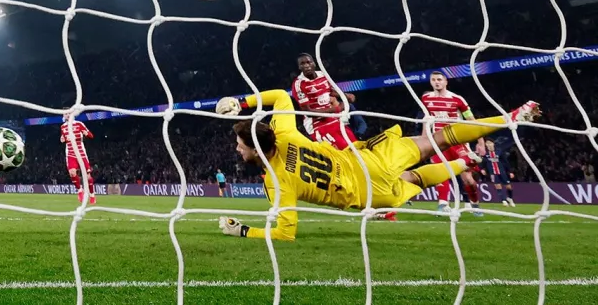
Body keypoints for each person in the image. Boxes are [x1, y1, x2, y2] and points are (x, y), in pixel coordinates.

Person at [214, 89, 539, 241]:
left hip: (369, 192)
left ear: (257, 150)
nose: (237, 149)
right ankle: (509, 119)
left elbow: (286, 234)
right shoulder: (283, 132)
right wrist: (241, 102)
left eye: (241, 146)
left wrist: (241, 230)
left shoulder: (276, 182)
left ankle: (464, 162)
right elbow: (282, 99)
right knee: (442, 137)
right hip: (371, 157)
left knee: (417, 179)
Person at [421, 71, 484, 215]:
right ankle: (443, 205)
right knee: (441, 173)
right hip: (438, 141)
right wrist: (424, 139)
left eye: (439, 79)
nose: (436, 82)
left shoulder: (457, 99)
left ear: (445, 82)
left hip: (457, 142)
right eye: (433, 80)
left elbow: (471, 120)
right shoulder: (425, 98)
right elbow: (427, 119)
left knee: (468, 179)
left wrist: (480, 141)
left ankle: (475, 204)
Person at [291, 54, 358, 150]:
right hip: (317, 124)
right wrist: (337, 109)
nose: (306, 65)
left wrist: (346, 96)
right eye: (302, 63)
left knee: (355, 146)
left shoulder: (323, 74)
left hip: (334, 119)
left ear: (314, 63)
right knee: (342, 152)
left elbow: (331, 91)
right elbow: (308, 112)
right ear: (299, 67)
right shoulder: (298, 84)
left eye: (308, 62)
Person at [60, 114, 96, 204]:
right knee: (72, 173)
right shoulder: (63, 127)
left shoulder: (79, 124)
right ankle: (80, 191)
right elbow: (63, 138)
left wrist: (86, 133)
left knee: (88, 177)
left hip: (81, 153)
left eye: (68, 113)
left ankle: (92, 195)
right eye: (65, 114)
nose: (67, 115)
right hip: (70, 153)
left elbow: (91, 136)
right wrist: (62, 139)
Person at [483, 140, 515, 207]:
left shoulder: (499, 151)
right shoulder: (485, 154)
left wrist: (510, 171)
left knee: (509, 187)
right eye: (487, 143)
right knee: (498, 187)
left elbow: (505, 162)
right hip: (493, 173)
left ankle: (510, 198)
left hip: (502, 172)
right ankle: (503, 201)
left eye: (490, 143)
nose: (488, 144)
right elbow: (483, 162)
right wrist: (482, 169)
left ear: (493, 143)